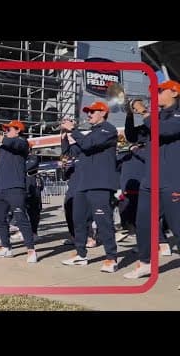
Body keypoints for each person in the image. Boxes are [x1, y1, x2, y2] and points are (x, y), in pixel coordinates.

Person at [124, 80, 180, 282]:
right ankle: (145, 264)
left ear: (174, 92)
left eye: (159, 91)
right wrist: (130, 114)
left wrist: (142, 111)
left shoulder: (177, 115)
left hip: (173, 180)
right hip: (150, 181)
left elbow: (163, 131)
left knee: (177, 226)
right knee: (144, 224)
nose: (154, 95)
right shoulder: (154, 117)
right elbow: (132, 136)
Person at [61, 101, 119, 273]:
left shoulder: (108, 129)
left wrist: (73, 130)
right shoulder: (90, 133)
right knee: (78, 220)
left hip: (100, 184)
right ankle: (81, 254)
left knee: (103, 222)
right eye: (88, 112)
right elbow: (72, 152)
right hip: (83, 184)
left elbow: (87, 144)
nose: (89, 114)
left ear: (103, 112)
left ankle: (111, 258)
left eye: (92, 111)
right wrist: (64, 135)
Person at [0, 120, 37, 262]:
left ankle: (31, 250)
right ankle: (6, 248)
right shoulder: (4, 146)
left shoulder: (22, 142)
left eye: (9, 128)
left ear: (18, 130)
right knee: (0, 220)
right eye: (5, 129)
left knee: (21, 219)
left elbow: (10, 143)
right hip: (0, 189)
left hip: (15, 187)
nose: (6, 130)